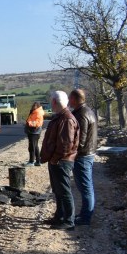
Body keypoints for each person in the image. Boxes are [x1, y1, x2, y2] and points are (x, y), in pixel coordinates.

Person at [40, 90, 79, 230]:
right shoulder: (61, 117)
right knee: (57, 190)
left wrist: (55, 159)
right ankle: (60, 216)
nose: (51, 104)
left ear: (55, 102)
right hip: (57, 160)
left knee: (64, 190)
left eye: (52, 101)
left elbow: (66, 144)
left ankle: (69, 221)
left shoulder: (67, 119)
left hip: (62, 161)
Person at [69, 88, 98, 226]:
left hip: (83, 155)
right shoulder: (88, 111)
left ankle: (86, 217)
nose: (69, 101)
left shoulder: (81, 114)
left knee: (85, 187)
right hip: (87, 153)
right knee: (86, 186)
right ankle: (85, 214)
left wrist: (73, 151)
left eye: (70, 98)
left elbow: (81, 138)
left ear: (74, 99)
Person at [25, 101, 45, 166]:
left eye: (34, 105)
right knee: (35, 146)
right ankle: (38, 161)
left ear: (37, 106)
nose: (33, 106)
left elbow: (38, 123)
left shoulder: (38, 113)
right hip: (33, 131)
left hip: (34, 131)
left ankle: (31, 161)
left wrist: (29, 123)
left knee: (32, 147)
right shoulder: (34, 112)